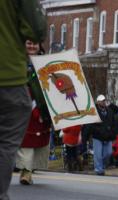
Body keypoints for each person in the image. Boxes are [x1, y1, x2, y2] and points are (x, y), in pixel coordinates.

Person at [0, 0, 46, 198]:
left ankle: (27, 171)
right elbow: (35, 28)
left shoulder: (40, 66)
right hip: (8, 77)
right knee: (6, 144)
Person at [15, 40, 51, 185]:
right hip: (21, 105)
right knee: (25, 141)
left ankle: (29, 169)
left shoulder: (46, 64)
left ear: (39, 46)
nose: (31, 46)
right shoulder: (16, 61)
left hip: (42, 107)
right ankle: (25, 170)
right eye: (28, 43)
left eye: (34, 43)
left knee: (38, 141)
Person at [88, 95, 118, 175]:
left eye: (104, 100)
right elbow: (90, 125)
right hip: (97, 136)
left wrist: (113, 136)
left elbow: (113, 124)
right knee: (98, 154)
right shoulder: (94, 112)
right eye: (102, 101)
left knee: (108, 153)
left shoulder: (110, 111)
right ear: (98, 102)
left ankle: (102, 165)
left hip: (108, 137)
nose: (103, 102)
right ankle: (98, 169)